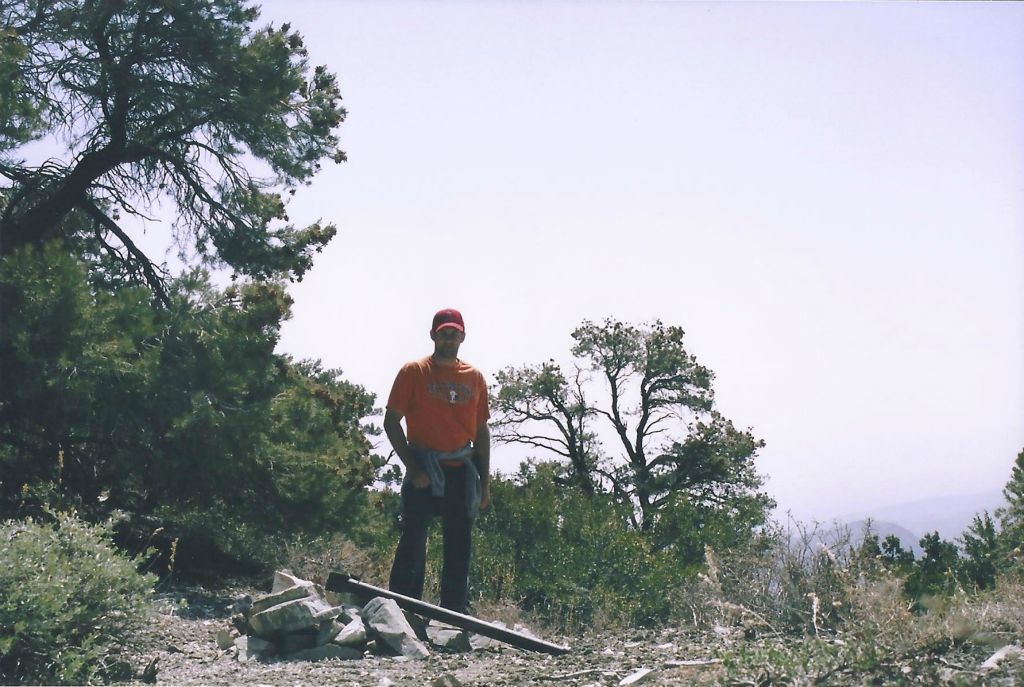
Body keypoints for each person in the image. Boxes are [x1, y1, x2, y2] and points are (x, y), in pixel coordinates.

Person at [384, 307, 491, 613]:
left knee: (459, 546)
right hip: (424, 467)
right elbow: (392, 421)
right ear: (433, 335)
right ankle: (403, 610)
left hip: (460, 470)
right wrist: (413, 468)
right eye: (443, 334)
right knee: (413, 543)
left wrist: (485, 485)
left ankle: (453, 614)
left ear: (462, 336)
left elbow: (481, 432)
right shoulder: (414, 371)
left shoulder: (474, 377)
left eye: (453, 334)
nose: (448, 339)